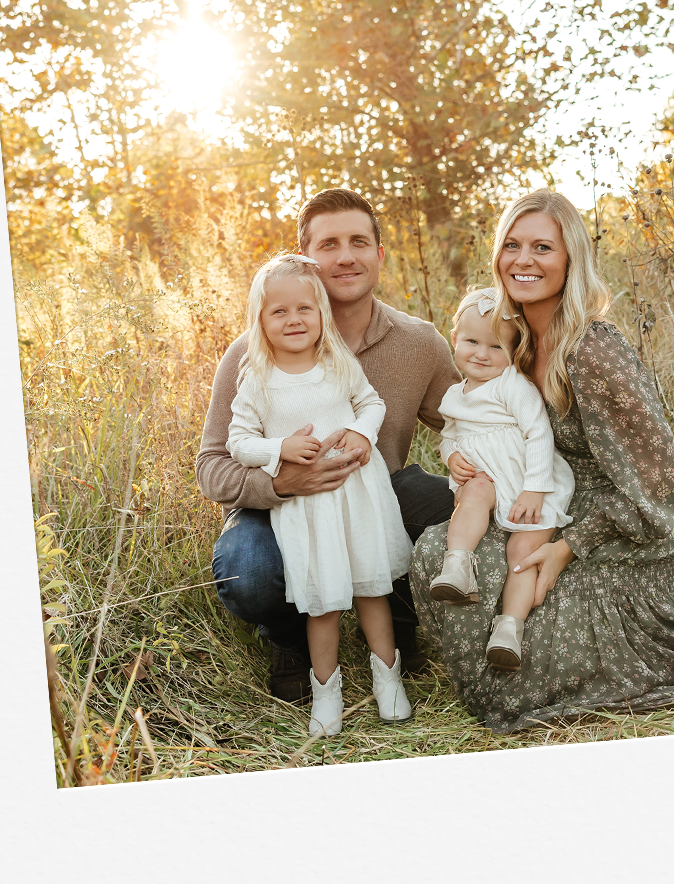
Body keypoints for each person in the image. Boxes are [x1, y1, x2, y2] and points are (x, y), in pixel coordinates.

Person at [408, 190, 674, 730]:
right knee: (440, 550)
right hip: (537, 504)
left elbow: (654, 488)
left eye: (542, 247)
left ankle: (517, 675)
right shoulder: (514, 341)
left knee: (524, 615)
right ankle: (495, 667)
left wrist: (569, 547)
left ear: (570, 258)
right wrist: (457, 458)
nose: (523, 261)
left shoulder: (592, 351)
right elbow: (472, 418)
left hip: (608, 537)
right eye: (512, 246)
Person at [197, 189, 458, 704]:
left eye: (359, 241)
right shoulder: (253, 354)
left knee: (452, 501)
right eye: (329, 244)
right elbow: (212, 464)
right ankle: (291, 639)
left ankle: (404, 613)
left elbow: (462, 420)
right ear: (306, 261)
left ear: (379, 255)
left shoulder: (418, 341)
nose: (345, 256)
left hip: (369, 494)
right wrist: (278, 480)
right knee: (245, 570)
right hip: (280, 508)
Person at [226, 252, 414, 734]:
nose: (294, 320)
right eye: (279, 311)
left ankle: (387, 681)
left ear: (321, 312)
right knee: (323, 601)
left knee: (373, 588)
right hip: (306, 509)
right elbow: (238, 442)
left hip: (357, 497)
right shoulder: (257, 379)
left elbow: (371, 403)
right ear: (260, 321)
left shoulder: (336, 361)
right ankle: (326, 692)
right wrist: (279, 448)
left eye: (304, 309)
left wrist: (361, 433)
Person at [426, 287, 577, 672]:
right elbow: (449, 436)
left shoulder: (513, 385)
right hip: (488, 478)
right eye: (471, 341)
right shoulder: (454, 395)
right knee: (472, 493)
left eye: (495, 347)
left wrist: (535, 488)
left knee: (521, 555)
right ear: (454, 340)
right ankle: (457, 565)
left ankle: (510, 627)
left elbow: (539, 433)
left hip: (527, 480)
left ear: (513, 353)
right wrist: (453, 456)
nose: (480, 353)